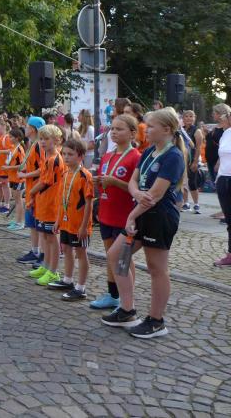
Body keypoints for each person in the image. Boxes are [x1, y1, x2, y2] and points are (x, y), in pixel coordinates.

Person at [103, 108, 187, 338]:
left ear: (166, 129)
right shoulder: (149, 151)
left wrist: (132, 214)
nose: (145, 130)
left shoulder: (173, 156)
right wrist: (136, 194)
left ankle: (156, 320)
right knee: (116, 255)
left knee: (156, 268)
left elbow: (156, 195)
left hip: (159, 217)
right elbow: (134, 180)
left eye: (150, 126)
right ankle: (127, 310)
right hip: (141, 212)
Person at [91, 114, 141, 310]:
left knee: (124, 259)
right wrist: (98, 182)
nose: (113, 132)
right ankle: (113, 295)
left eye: (119, 129)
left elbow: (136, 188)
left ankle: (127, 299)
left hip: (124, 216)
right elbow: (105, 182)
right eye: (112, 128)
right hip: (106, 213)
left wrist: (115, 182)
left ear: (132, 133)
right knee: (110, 256)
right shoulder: (107, 155)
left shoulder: (136, 157)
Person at [49, 138, 94, 301]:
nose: (66, 157)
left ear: (80, 156)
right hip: (66, 222)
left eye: (70, 154)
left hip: (79, 224)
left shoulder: (85, 176)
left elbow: (89, 204)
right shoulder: (65, 173)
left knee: (81, 253)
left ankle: (81, 288)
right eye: (64, 154)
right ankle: (68, 280)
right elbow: (62, 200)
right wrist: (57, 220)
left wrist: (84, 227)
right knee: (67, 250)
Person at [27, 124, 65, 286]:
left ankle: (53, 271)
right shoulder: (46, 158)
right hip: (43, 203)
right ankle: (46, 266)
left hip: (51, 204)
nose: (42, 142)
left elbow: (45, 182)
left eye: (46, 139)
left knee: (51, 238)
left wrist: (31, 193)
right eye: (41, 139)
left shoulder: (54, 159)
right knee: (44, 236)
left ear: (56, 140)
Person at [16, 116, 47, 264]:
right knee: (32, 224)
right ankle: (35, 251)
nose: (25, 128)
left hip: (36, 189)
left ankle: (42, 253)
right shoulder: (33, 144)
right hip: (30, 189)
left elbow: (43, 169)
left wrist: (25, 175)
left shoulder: (39, 146)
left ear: (33, 129)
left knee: (38, 224)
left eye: (27, 126)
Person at [212, 104, 231, 266]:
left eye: (225, 117)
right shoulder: (226, 134)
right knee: (229, 219)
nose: (222, 120)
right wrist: (219, 177)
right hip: (223, 179)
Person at [3, 128, 26, 231]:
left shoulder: (19, 149)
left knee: (18, 200)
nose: (9, 138)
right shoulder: (13, 148)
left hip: (18, 178)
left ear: (17, 138)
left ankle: (20, 222)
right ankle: (17, 220)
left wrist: (8, 168)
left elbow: (22, 165)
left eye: (11, 137)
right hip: (12, 177)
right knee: (16, 200)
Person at [180, 110, 204, 213]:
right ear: (183, 118)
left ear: (194, 118)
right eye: (186, 116)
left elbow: (198, 148)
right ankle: (186, 203)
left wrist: (195, 161)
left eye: (191, 116)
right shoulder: (180, 130)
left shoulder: (197, 131)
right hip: (182, 159)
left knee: (192, 182)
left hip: (192, 159)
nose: (189, 118)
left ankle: (196, 204)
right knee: (183, 182)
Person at [0, 121, 12, 215]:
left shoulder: (6, 138)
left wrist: (1, 152)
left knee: (5, 185)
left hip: (4, 166)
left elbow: (11, 150)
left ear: (3, 127)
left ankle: (7, 205)